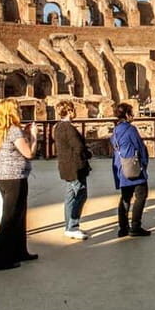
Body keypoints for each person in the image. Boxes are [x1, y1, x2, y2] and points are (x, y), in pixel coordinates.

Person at [0, 98, 38, 271]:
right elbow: (29, 153)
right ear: (11, 112)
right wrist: (33, 136)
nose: (21, 110)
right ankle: (0, 260)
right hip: (14, 177)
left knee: (19, 214)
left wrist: (23, 134)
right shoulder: (14, 131)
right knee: (10, 218)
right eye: (17, 108)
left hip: (3, 176)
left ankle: (20, 251)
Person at [111, 102, 151, 237]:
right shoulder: (130, 129)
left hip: (121, 168)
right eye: (131, 113)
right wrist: (144, 165)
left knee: (125, 197)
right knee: (141, 195)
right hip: (133, 167)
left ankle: (123, 227)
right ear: (127, 115)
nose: (133, 116)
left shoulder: (115, 130)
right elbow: (140, 147)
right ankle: (135, 226)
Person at [54, 100, 91, 240]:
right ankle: (72, 226)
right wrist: (87, 154)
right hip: (75, 167)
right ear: (69, 111)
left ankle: (68, 226)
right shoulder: (68, 127)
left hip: (66, 167)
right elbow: (78, 147)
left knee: (70, 196)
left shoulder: (57, 127)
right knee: (81, 194)